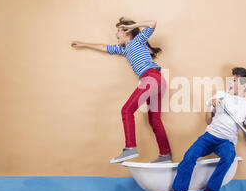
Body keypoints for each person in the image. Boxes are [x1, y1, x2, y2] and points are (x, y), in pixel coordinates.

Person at [71, 17, 172, 164]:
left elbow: (153, 24)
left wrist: (134, 26)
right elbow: (104, 47)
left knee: (126, 110)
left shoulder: (138, 40)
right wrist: (83, 44)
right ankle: (165, 155)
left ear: (127, 32)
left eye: (118, 31)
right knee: (154, 120)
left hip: (151, 78)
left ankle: (130, 147)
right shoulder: (123, 49)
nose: (116, 35)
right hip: (158, 81)